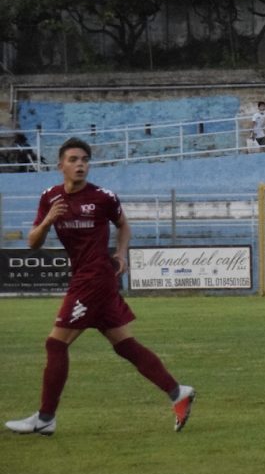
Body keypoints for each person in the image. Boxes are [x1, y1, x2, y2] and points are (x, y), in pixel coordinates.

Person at [5, 138, 195, 436]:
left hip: (94, 277)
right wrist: (46, 223)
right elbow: (32, 243)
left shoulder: (103, 197)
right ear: (60, 166)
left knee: (56, 343)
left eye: (84, 159)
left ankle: (45, 418)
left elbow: (124, 225)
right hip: (86, 277)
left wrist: (120, 253)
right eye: (73, 159)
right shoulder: (50, 198)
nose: (80, 164)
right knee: (124, 345)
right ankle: (177, 392)